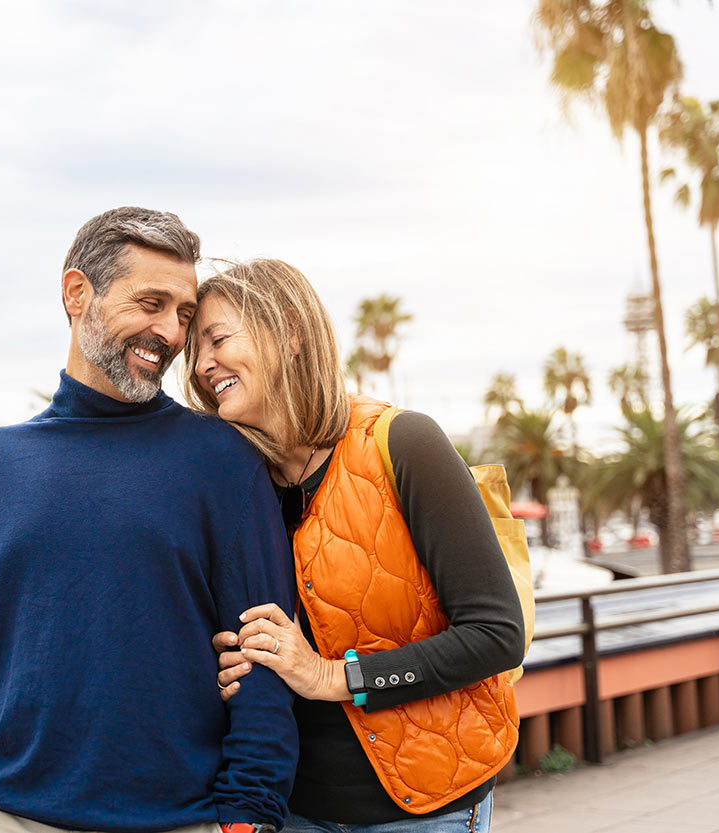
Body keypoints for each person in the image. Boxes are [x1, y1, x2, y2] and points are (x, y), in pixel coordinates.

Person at [0, 208, 299, 833]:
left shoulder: (225, 460)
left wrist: (248, 816)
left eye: (184, 314)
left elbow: (266, 660)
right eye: (151, 303)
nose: (169, 332)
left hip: (179, 820)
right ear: (77, 293)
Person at [182, 259, 525, 833]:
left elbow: (496, 635)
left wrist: (328, 676)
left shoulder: (403, 443)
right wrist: (232, 654)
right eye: (195, 351)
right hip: (294, 810)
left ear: (289, 331)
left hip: (422, 809)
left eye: (217, 339)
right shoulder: (241, 484)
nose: (201, 365)